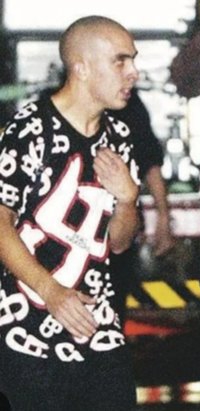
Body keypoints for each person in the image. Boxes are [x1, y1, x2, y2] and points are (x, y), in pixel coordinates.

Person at [0, 15, 140, 410]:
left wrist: (128, 199)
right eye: (120, 60)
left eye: (133, 60)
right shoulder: (30, 130)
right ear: (81, 67)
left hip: (98, 328)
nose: (133, 72)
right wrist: (51, 292)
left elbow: (119, 242)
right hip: (27, 329)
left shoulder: (119, 137)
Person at [110, 89, 175, 320]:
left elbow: (149, 161)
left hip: (119, 231)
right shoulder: (53, 109)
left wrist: (164, 218)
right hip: (65, 239)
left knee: (113, 310)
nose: (131, 74)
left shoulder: (128, 105)